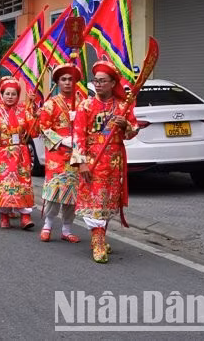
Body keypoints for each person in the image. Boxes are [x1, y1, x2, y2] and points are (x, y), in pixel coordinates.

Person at [72, 61, 139, 263]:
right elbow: (78, 135)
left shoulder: (122, 106)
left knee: (108, 202)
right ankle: (99, 242)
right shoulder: (86, 105)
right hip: (93, 160)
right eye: (96, 81)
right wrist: (81, 162)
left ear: (112, 83)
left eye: (103, 81)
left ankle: (98, 237)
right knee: (96, 202)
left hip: (115, 161)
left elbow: (133, 131)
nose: (98, 84)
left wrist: (125, 124)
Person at [38, 64, 83, 243]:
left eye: (70, 79)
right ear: (57, 82)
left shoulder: (82, 102)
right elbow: (43, 127)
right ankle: (48, 225)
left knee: (72, 193)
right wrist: (61, 140)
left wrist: (78, 120)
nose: (67, 83)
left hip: (77, 153)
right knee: (55, 192)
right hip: (57, 154)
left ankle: (66, 229)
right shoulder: (50, 104)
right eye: (63, 79)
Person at [0, 78, 36, 230]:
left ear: (17, 96)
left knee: (23, 183)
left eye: (14, 94)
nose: (10, 96)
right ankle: (4, 215)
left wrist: (35, 114)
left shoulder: (24, 111)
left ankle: (25, 217)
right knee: (4, 184)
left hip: (21, 154)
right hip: (2, 154)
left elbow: (34, 131)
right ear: (1, 94)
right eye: (7, 93)